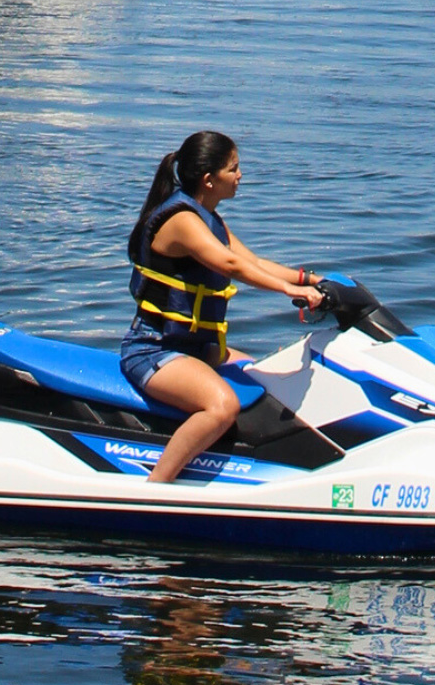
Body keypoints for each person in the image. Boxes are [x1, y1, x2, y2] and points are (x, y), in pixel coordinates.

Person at [121, 131, 322, 485]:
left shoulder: (208, 218)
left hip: (197, 350)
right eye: (234, 168)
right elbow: (230, 266)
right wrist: (291, 290)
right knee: (223, 406)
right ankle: (155, 489)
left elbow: (252, 261)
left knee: (266, 375)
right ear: (210, 179)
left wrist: (310, 279)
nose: (240, 175)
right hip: (154, 350)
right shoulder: (182, 221)